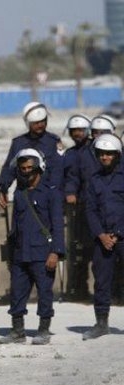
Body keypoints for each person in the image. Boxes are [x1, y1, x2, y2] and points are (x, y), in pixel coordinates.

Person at [0, 148, 64, 345]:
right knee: (17, 293)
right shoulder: (19, 193)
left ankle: (43, 330)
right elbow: (15, 226)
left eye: (30, 167)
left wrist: (55, 252)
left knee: (44, 293)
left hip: (42, 252)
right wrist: (12, 253)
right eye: (23, 168)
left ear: (39, 168)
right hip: (21, 253)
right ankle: (17, 331)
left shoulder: (51, 193)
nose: (26, 171)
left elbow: (57, 225)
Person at [83, 134, 124, 340]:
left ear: (117, 155)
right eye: (101, 154)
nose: (105, 157)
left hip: (122, 237)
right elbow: (90, 210)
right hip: (103, 240)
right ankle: (101, 323)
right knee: (101, 281)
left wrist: (118, 233)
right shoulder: (94, 179)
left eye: (109, 154)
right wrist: (101, 234)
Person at [0, 102, 63, 209]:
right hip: (24, 196)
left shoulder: (53, 142)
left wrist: (55, 193)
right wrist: (3, 189)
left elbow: (59, 170)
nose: (40, 125)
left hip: (48, 196)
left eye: (43, 121)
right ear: (28, 123)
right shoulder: (18, 143)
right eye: (36, 123)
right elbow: (9, 169)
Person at [62, 115, 94, 301]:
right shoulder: (71, 154)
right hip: (80, 208)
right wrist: (70, 192)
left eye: (80, 130)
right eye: (74, 131)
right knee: (79, 249)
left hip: (99, 205)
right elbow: (71, 177)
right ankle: (80, 290)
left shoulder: (97, 150)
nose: (77, 134)